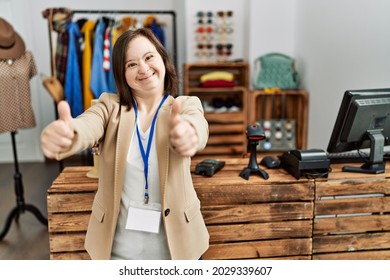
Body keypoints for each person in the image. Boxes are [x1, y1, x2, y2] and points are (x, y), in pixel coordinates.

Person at [41, 28, 210, 260]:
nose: (143, 68)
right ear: (122, 74)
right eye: (131, 64)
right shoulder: (109, 107)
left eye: (149, 57)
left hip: (179, 251)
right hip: (118, 252)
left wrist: (189, 133)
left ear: (163, 58)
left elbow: (197, 125)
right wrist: (70, 135)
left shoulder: (186, 105)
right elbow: (87, 125)